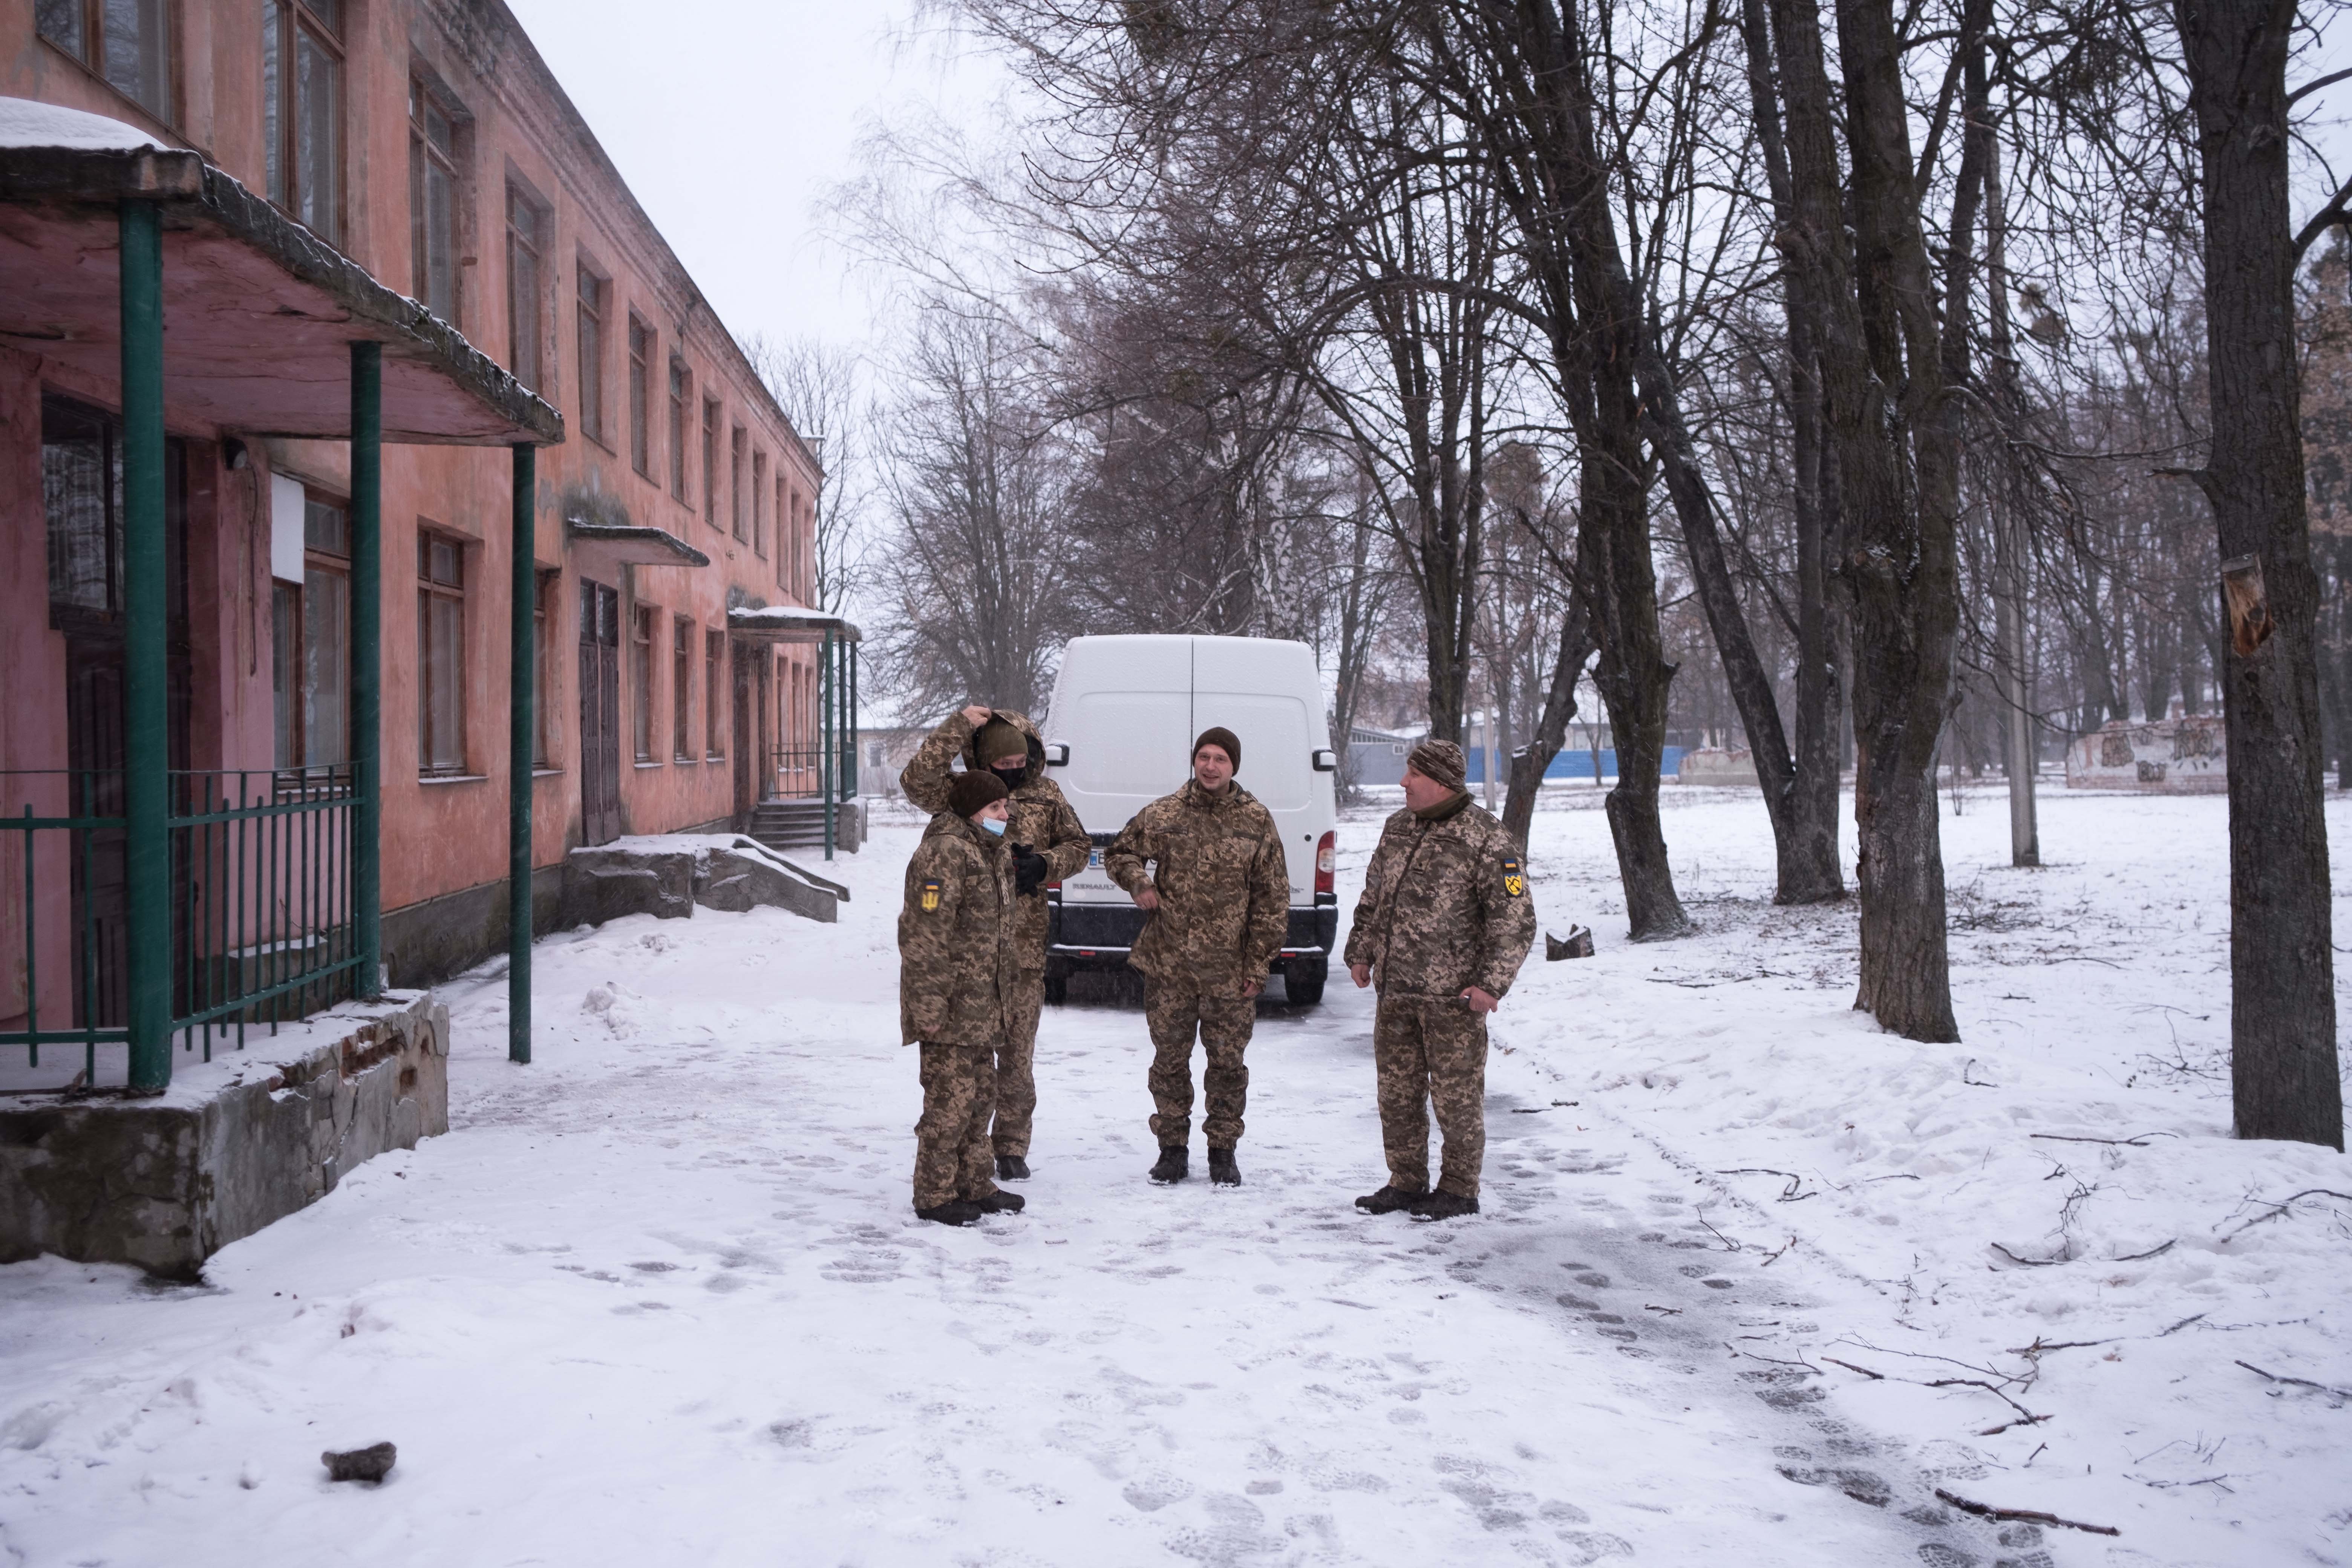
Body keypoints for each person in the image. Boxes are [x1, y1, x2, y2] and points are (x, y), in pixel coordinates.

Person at [1344, 740, 1537, 1221]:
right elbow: (1373, 898)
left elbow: (1514, 920)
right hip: (1396, 993)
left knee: (1456, 1099)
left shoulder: (1487, 838)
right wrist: (1361, 951)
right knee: (1398, 1093)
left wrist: (1491, 985)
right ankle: (1406, 1182)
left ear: (1441, 781)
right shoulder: (1397, 828)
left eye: (1413, 774)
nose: (1404, 782)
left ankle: (1459, 1188)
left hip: (1453, 1000)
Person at [900, 703, 1091, 1181]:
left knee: (1017, 1056)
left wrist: (1044, 865)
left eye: (1020, 763)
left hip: (1022, 948)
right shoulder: (961, 793)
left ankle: (1010, 1144)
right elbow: (916, 779)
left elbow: (1080, 846)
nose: (1014, 773)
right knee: (971, 1065)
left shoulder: (1046, 793)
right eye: (1003, 766)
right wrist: (959, 725)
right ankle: (968, 1154)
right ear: (984, 762)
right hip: (972, 956)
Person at [1103, 727, 1288, 1187]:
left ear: (1234, 766)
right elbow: (1119, 851)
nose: (1210, 766)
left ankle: (1223, 1151)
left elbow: (1272, 899)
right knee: (1169, 1061)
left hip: (1230, 972)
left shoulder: (1256, 820)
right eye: (1204, 757)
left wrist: (1258, 963)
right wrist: (1139, 884)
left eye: (1220, 759)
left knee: (1227, 1065)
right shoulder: (1165, 812)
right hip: (1170, 966)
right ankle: (1172, 1150)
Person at [899, 769, 1027, 1227]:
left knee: (979, 1100)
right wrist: (928, 1003)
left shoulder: (987, 850)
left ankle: (974, 1183)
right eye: (996, 807)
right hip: (950, 1007)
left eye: (1005, 806)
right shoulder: (944, 853)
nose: (1004, 814)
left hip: (980, 1007)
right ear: (974, 809)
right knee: (949, 1104)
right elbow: (924, 933)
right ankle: (934, 1193)